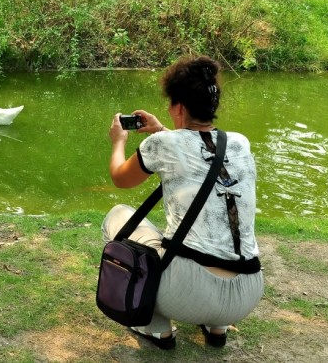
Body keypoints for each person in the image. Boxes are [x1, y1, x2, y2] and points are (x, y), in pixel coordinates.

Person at [103, 55, 263, 350]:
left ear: (178, 106)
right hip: (247, 293)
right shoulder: (240, 142)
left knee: (118, 216)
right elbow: (198, 150)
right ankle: (216, 327)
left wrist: (118, 142)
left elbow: (120, 178)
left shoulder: (162, 145)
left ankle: (157, 327)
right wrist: (163, 129)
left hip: (185, 293)